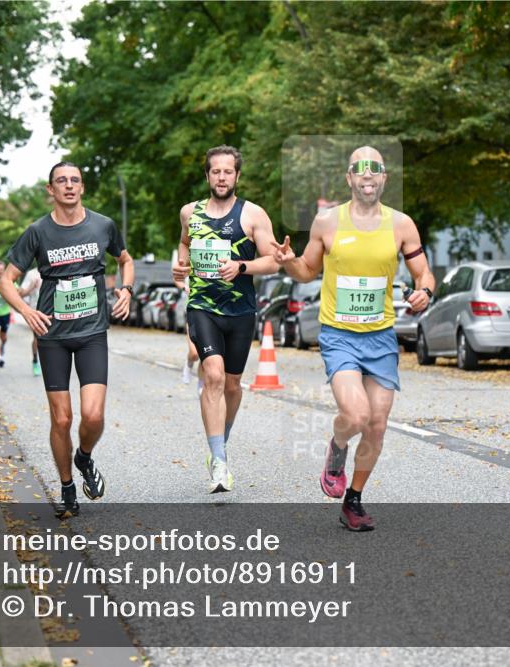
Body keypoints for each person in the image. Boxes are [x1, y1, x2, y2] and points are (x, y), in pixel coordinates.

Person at [272, 146, 435, 531]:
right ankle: (338, 446)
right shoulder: (327, 223)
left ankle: (354, 500)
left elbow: (423, 274)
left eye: (374, 170)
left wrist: (425, 293)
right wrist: (288, 261)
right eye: (359, 171)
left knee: (377, 423)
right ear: (349, 178)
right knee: (357, 415)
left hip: (380, 337)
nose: (367, 176)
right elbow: (307, 271)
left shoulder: (401, 225)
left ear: (383, 179)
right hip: (339, 335)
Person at [0, 161, 134, 518]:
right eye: (62, 181)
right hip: (52, 336)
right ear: (51, 190)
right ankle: (67, 486)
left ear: (82, 187)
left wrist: (127, 289)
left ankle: (84, 457)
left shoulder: (103, 225)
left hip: (91, 334)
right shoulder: (38, 232)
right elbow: (5, 280)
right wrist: (26, 312)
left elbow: (125, 259)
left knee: (92, 414)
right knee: (61, 420)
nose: (69, 186)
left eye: (75, 180)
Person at [172, 145, 281, 493]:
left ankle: (221, 442)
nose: (221, 177)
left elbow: (273, 261)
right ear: (207, 175)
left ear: (236, 175)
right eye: (215, 171)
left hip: (241, 312)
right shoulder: (190, 212)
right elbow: (184, 244)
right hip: (203, 307)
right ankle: (219, 462)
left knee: (232, 385)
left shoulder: (253, 215)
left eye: (228, 172)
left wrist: (241, 266)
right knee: (214, 376)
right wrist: (180, 269)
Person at [174, 274, 201, 390]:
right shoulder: (190, 262)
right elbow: (177, 278)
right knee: (195, 353)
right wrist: (185, 287)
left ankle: (203, 384)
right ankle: (189, 362)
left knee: (208, 356)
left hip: (212, 313)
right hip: (192, 314)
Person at [19, 266, 43, 376]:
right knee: (38, 338)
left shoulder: (55, 268)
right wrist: (31, 287)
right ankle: (35, 360)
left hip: (54, 310)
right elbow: (21, 294)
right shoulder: (32, 274)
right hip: (36, 311)